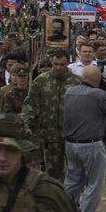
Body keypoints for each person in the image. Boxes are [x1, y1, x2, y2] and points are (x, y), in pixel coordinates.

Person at [62, 65, 106, 212]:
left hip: (70, 144)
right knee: (94, 186)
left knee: (72, 182)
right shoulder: (97, 95)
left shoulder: (69, 92)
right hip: (91, 145)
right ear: (98, 79)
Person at [25, 48, 80, 181]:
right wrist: (26, 123)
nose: (58, 67)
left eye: (62, 64)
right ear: (52, 62)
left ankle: (72, 199)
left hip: (72, 135)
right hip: (50, 134)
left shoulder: (77, 82)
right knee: (53, 172)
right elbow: (30, 104)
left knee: (76, 170)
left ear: (68, 63)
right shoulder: (41, 81)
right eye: (56, 64)